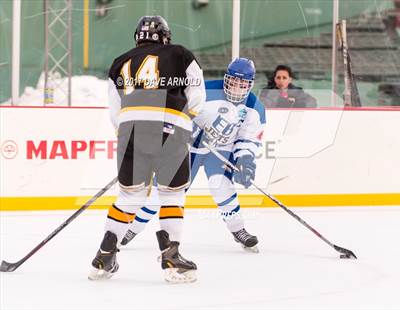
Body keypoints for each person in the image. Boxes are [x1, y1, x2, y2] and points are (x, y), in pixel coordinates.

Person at [88, 15, 205, 283]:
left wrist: (130, 137)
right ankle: (171, 256)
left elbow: (115, 110)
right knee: (172, 193)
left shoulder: (120, 61)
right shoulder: (180, 53)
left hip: (131, 132)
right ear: (165, 35)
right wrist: (185, 123)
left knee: (129, 197)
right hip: (171, 128)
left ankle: (105, 254)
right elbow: (196, 96)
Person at [121, 58, 266, 253]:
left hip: (221, 151)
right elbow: (176, 111)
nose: (237, 87)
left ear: (250, 84)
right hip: (188, 149)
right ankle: (132, 228)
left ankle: (238, 230)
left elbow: (248, 139)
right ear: (226, 79)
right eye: (233, 81)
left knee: (222, 186)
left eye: (243, 84)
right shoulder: (206, 92)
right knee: (163, 190)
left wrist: (246, 161)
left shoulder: (255, 109)